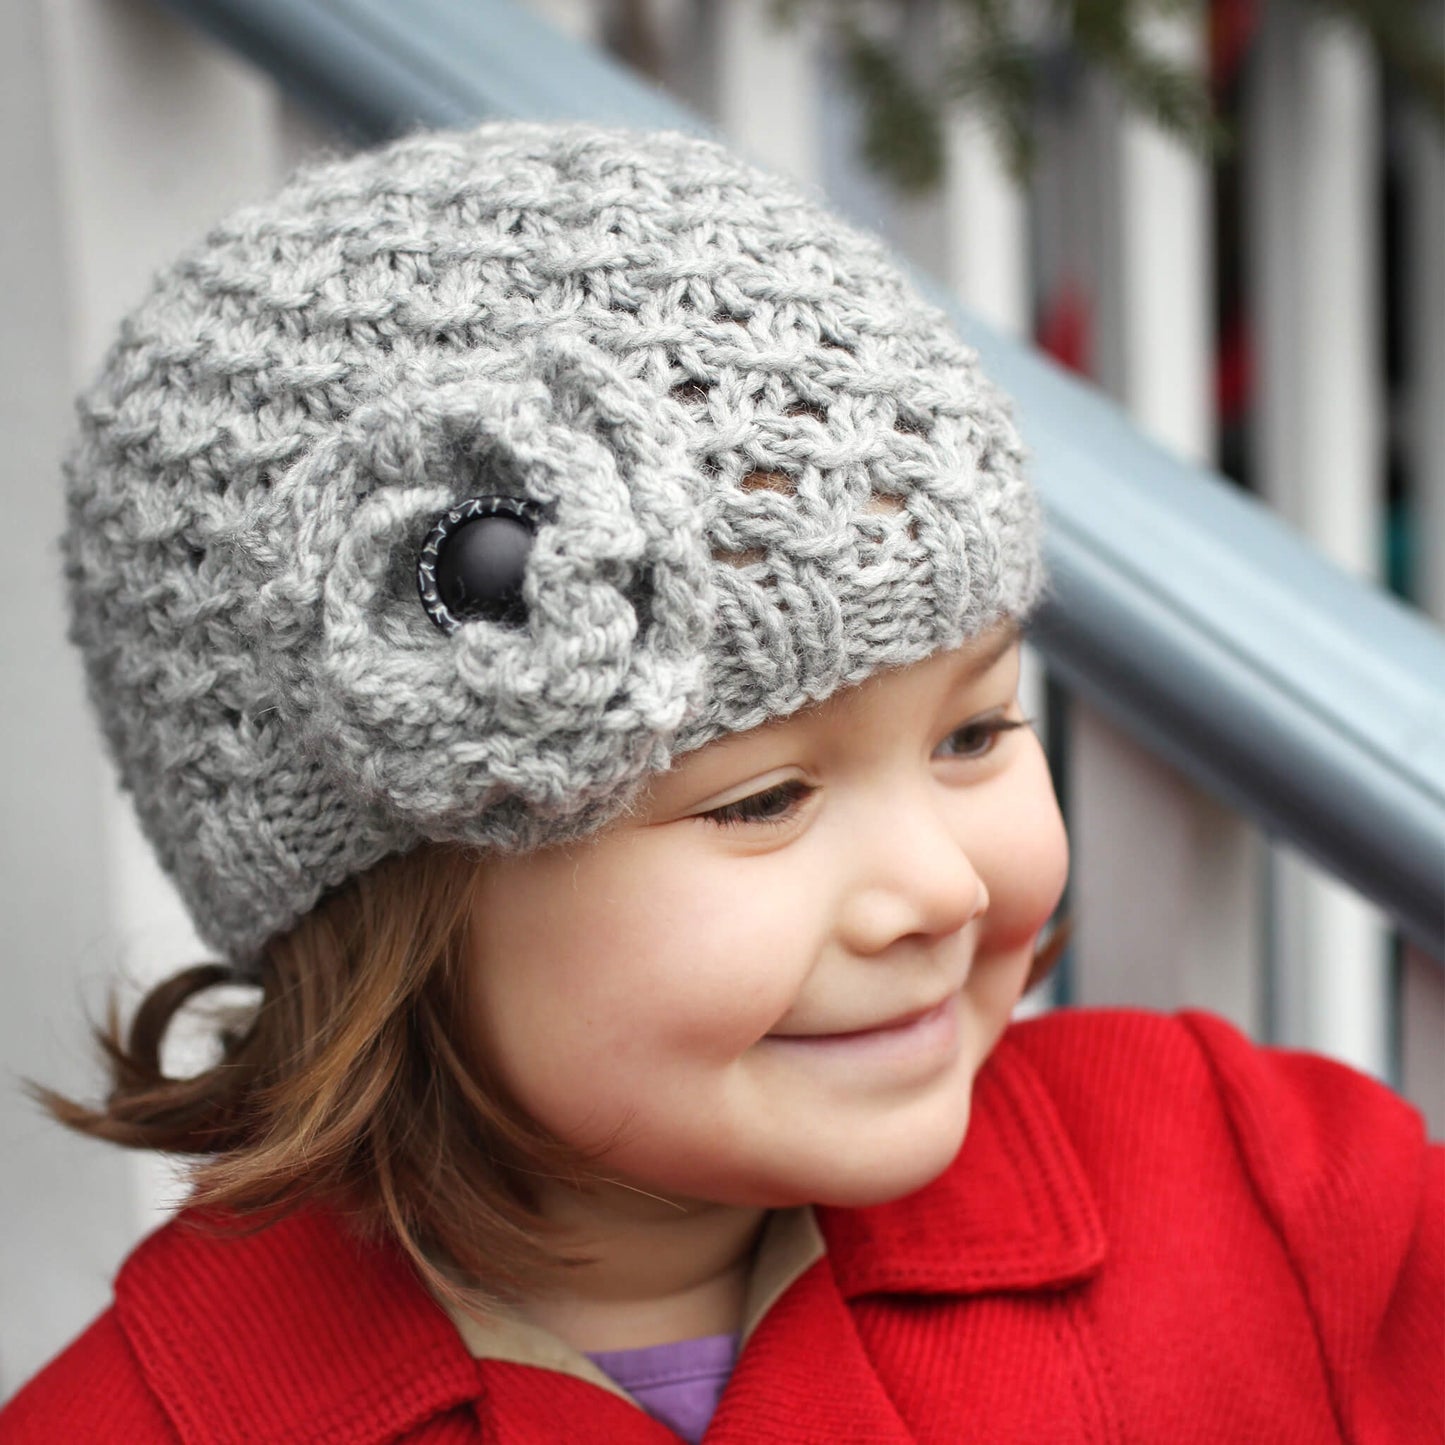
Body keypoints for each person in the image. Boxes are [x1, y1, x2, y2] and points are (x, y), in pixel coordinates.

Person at [0, 123, 1438, 1445]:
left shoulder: (1270, 1200)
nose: (938, 884)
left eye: (973, 732)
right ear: (380, 904)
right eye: (763, 800)